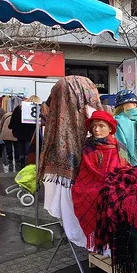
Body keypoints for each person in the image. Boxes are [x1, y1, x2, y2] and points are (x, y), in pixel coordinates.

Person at [39, 76, 103, 248]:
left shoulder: (56, 127)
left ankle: (83, 238)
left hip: (67, 179)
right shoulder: (95, 122)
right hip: (73, 180)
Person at [72, 110, 129, 250]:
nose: (96, 130)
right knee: (87, 195)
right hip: (89, 183)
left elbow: (126, 167)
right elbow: (84, 171)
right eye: (93, 126)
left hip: (113, 182)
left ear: (110, 128)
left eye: (101, 126)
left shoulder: (120, 146)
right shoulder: (87, 147)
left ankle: (112, 242)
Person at [113, 90, 137, 166]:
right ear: (123, 104)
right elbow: (120, 144)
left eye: (135, 102)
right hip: (125, 161)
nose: (135, 104)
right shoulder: (117, 121)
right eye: (131, 101)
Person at [9, 95, 40, 167]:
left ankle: (21, 162)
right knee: (28, 148)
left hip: (19, 132)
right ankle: (26, 162)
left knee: (21, 147)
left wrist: (12, 127)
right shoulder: (36, 108)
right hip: (30, 132)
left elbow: (13, 119)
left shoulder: (19, 108)